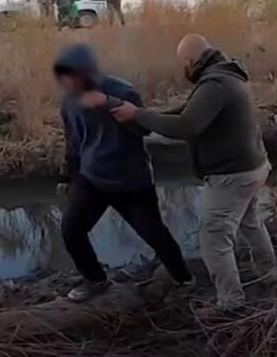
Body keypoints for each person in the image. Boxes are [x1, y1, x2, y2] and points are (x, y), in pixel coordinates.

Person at [106, 34, 275, 311]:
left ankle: (231, 303)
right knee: (251, 223)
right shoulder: (224, 75)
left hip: (232, 175)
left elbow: (187, 126)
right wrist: (146, 116)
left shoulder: (214, 84)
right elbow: (187, 111)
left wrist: (138, 116)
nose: (182, 70)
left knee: (214, 239)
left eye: (182, 64)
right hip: (254, 167)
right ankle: (270, 276)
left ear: (190, 61)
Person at [54, 43, 194, 301]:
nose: (67, 81)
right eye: (63, 75)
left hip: (130, 180)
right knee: (71, 229)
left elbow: (143, 130)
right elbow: (73, 142)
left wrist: (108, 105)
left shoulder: (120, 91)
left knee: (154, 233)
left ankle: (183, 279)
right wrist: (67, 175)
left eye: (72, 74)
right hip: (91, 178)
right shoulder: (69, 101)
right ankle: (95, 280)